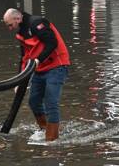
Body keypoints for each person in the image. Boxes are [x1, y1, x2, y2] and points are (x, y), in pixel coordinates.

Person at [4, 8, 71, 141]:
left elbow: (52, 42)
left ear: (17, 19)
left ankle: (51, 140)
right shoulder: (21, 34)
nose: (10, 28)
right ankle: (46, 129)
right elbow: (24, 58)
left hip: (57, 66)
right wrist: (19, 81)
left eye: (10, 25)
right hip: (39, 68)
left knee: (51, 101)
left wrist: (38, 59)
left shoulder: (37, 23)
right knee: (34, 101)